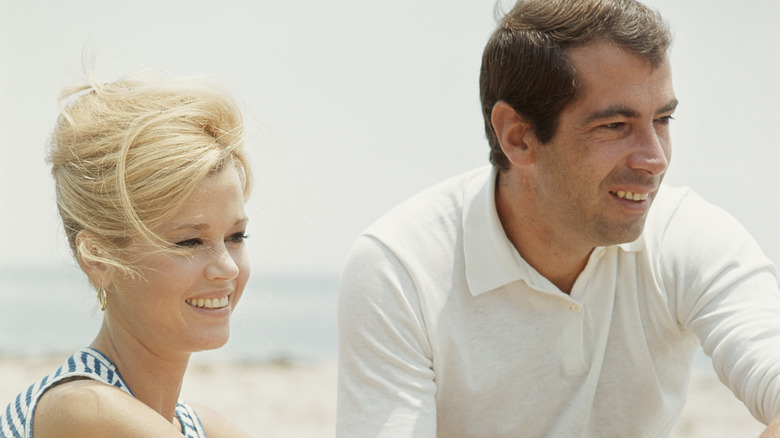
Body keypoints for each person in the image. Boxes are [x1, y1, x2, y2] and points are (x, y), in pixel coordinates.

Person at [336, 0, 780, 436]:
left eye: (663, 119)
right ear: (518, 136)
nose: (656, 158)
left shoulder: (688, 234)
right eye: (615, 125)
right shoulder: (401, 267)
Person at [0, 72, 253, 437]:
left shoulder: (201, 426)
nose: (227, 267)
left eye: (236, 236)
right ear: (99, 260)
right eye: (189, 242)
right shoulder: (83, 409)